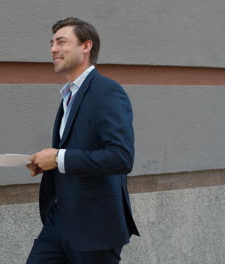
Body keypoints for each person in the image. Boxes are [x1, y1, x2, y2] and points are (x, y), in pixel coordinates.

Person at [25, 17, 140, 263]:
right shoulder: (68, 95)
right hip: (60, 221)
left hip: (95, 228)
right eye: (52, 43)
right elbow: (76, 151)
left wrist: (57, 157)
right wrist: (48, 163)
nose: (53, 49)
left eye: (61, 41)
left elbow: (121, 157)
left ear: (86, 46)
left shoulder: (107, 91)